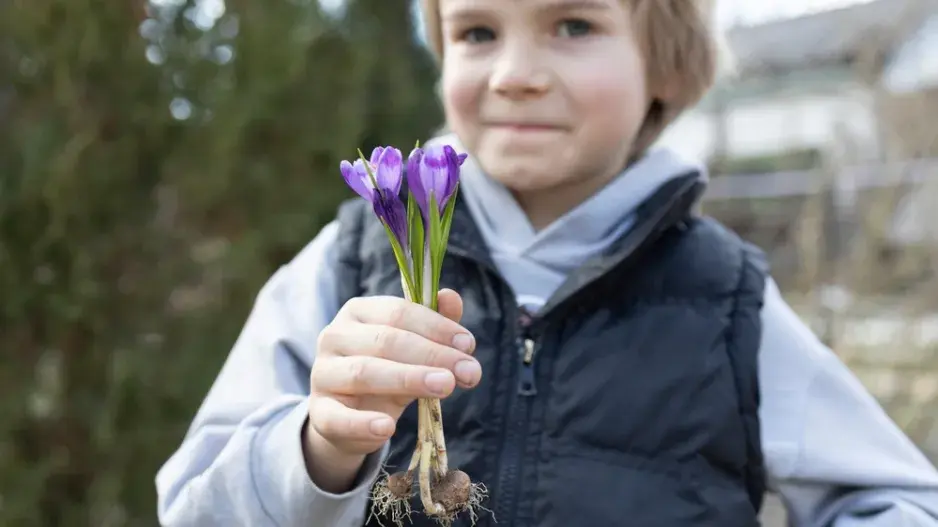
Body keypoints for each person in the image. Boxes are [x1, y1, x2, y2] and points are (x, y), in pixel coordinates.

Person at [155, 0, 938, 525]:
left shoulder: (729, 297)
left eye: (571, 25)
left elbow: (900, 498)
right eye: (476, 33)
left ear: (666, 66)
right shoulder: (348, 261)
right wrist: (318, 449)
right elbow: (192, 505)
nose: (513, 74)